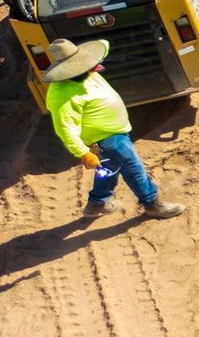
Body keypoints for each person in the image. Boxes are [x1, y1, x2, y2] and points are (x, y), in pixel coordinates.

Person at [42, 38, 185, 220]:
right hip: (106, 139)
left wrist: (95, 52)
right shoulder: (61, 95)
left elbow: (104, 44)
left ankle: (97, 203)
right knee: (133, 168)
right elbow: (65, 129)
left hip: (114, 134)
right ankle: (152, 204)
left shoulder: (85, 73)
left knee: (109, 168)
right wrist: (83, 153)